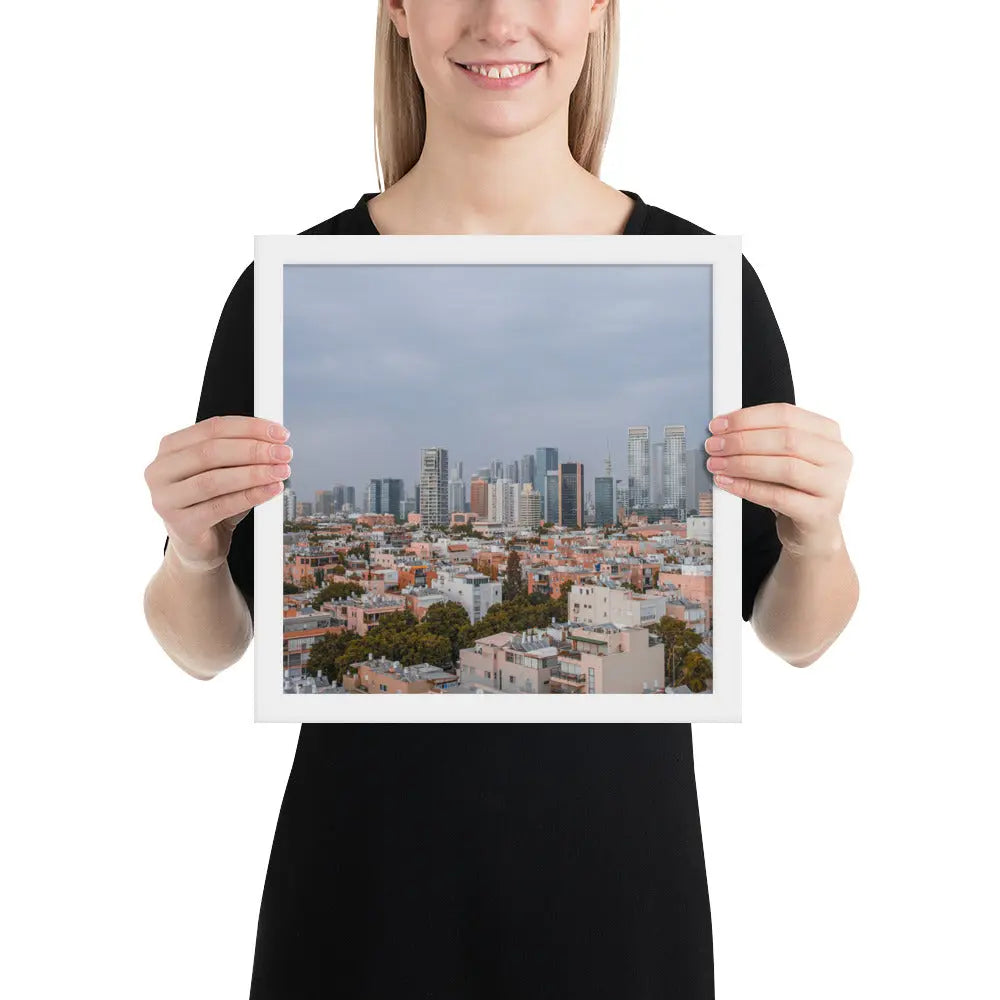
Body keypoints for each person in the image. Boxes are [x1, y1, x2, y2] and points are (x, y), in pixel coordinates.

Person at [143, 2, 859, 996]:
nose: (500, 18)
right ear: (397, 9)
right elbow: (210, 646)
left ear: (601, 9)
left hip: (619, 914)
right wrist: (189, 550)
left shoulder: (711, 286)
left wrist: (816, 535)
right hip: (357, 912)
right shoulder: (281, 290)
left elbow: (794, 635)